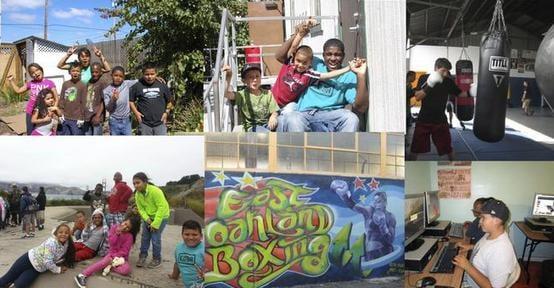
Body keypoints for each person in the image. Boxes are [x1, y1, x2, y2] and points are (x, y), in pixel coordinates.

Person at [275, 34, 368, 132]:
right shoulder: (313, 63)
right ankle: (302, 147)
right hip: (306, 113)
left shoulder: (349, 76)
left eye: (337, 55)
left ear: (343, 56)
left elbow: (361, 107)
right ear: (323, 55)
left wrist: (361, 75)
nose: (332, 58)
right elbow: (281, 57)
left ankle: (343, 147)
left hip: (332, 115)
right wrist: (299, 33)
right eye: (329, 54)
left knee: (351, 118)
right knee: (292, 118)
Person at [271, 20, 355, 114]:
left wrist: (348, 68)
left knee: (288, 113)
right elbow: (294, 47)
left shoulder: (309, 74)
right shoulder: (290, 64)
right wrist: (300, 34)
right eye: (298, 61)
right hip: (271, 99)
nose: (300, 65)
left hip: (286, 105)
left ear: (310, 64)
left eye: (304, 63)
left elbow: (326, 76)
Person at [409, 58, 469, 161]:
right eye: (443, 71)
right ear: (436, 68)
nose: (446, 74)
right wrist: (430, 84)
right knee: (414, 150)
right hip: (424, 120)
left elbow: (460, 94)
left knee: (448, 149)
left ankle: (456, 169)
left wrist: (471, 92)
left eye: (448, 71)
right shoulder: (424, 78)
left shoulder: (448, 81)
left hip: (440, 121)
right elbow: (418, 97)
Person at [453, 199, 518, 288]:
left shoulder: (501, 251)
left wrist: (467, 266)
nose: (479, 221)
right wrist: (470, 246)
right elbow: (485, 248)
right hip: (470, 275)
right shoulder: (490, 234)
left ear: (496, 220)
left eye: (483, 218)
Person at [331, 180, 396, 260]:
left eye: (379, 202)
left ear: (385, 203)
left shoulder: (390, 217)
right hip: (371, 252)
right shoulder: (369, 211)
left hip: (387, 251)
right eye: (375, 202)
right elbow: (353, 206)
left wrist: (383, 225)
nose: (376, 204)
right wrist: (344, 195)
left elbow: (391, 240)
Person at [74, 215, 141, 288]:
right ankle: (82, 275)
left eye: (128, 227)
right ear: (124, 220)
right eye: (125, 223)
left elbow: (124, 251)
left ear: (131, 230)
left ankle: (107, 265)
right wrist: (117, 234)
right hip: (111, 254)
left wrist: (115, 259)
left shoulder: (129, 236)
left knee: (126, 270)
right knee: (104, 262)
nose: (125, 227)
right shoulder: (114, 227)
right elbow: (111, 243)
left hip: (121, 258)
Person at [0, 223, 75, 288]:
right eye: (60, 232)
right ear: (56, 233)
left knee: (20, 285)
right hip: (28, 260)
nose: (63, 234)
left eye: (66, 233)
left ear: (69, 235)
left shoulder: (67, 243)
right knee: (7, 278)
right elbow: (47, 261)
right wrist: (58, 269)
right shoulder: (51, 243)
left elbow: (66, 253)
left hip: (37, 269)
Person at [223, 64, 279, 132]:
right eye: (250, 77)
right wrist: (228, 77)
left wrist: (273, 116)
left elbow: (274, 110)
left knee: (285, 121)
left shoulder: (267, 93)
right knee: (267, 135)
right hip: (252, 128)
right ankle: (274, 141)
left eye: (257, 76)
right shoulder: (242, 95)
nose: (255, 79)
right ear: (244, 81)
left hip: (267, 125)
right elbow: (225, 94)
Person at [6, 63, 58, 135]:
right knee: (30, 132)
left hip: (45, 112)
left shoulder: (49, 83)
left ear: (41, 69)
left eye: (37, 70)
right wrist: (11, 80)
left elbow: (56, 98)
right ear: (31, 75)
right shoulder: (31, 83)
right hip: (30, 111)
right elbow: (18, 90)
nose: (35, 73)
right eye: (32, 73)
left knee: (44, 132)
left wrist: (52, 110)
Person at [133, 172, 170, 268]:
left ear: (145, 182)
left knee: (155, 238)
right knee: (145, 237)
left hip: (161, 216)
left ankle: (157, 258)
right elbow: (141, 209)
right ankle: (143, 256)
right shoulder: (137, 194)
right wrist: (147, 219)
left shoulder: (155, 191)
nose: (136, 185)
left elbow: (161, 207)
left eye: (138, 182)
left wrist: (155, 223)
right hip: (149, 217)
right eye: (134, 183)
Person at [129, 63, 173, 135]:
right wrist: (136, 113)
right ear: (143, 74)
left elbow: (170, 101)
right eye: (147, 74)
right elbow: (130, 101)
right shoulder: (138, 86)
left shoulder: (162, 85)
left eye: (152, 74)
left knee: (161, 145)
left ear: (156, 74)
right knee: (145, 145)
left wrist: (166, 112)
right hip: (144, 123)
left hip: (160, 123)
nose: (149, 77)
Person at [168, 220, 205, 288]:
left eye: (195, 235)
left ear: (201, 236)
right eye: (187, 234)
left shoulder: (205, 250)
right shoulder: (179, 248)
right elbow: (177, 264)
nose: (190, 238)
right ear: (182, 235)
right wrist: (174, 276)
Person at [103, 66, 138, 135]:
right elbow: (108, 108)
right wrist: (113, 100)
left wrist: (156, 78)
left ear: (124, 77)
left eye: (121, 76)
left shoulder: (126, 84)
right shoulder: (106, 91)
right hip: (114, 121)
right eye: (116, 75)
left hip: (126, 121)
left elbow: (140, 80)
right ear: (111, 75)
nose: (118, 78)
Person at [59, 62, 87, 135]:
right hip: (65, 117)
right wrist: (60, 113)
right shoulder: (65, 84)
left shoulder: (83, 85)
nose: (75, 73)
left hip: (76, 119)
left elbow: (84, 103)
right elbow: (61, 99)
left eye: (77, 71)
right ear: (69, 72)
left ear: (80, 72)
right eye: (73, 71)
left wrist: (82, 117)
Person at [84, 62, 108, 135]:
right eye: (92, 72)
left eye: (96, 72)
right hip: (88, 116)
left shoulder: (102, 83)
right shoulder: (89, 82)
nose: (94, 74)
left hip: (97, 117)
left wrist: (98, 116)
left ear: (101, 72)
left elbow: (104, 101)